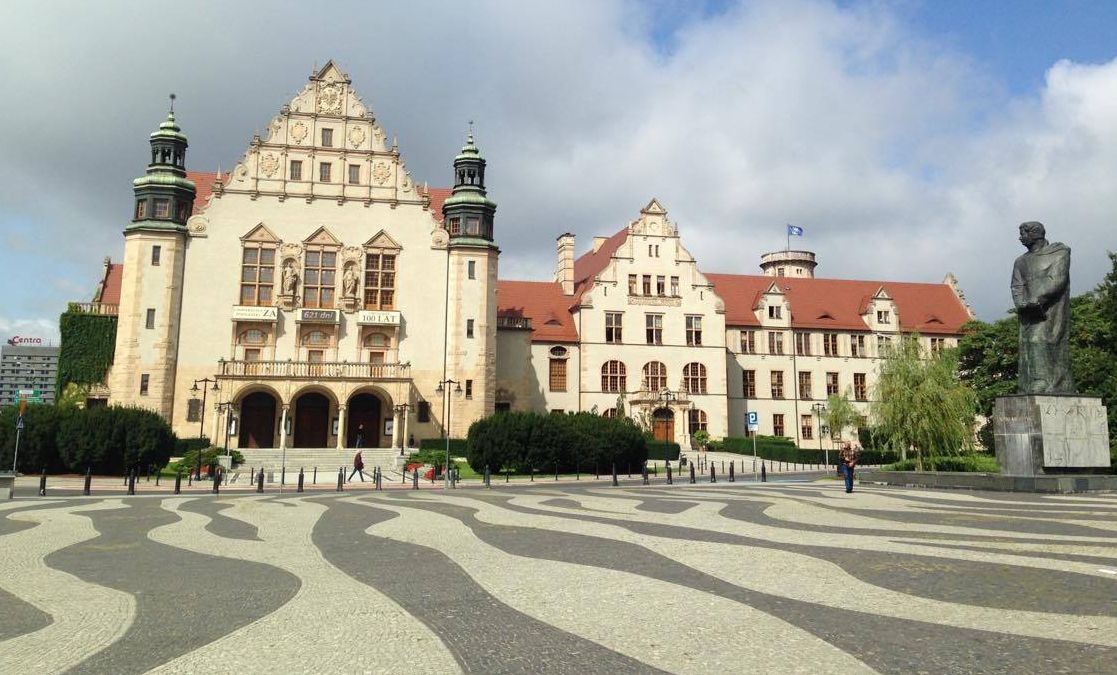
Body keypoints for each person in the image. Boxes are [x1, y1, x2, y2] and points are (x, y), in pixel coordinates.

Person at [1011, 221, 1074, 394]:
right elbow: (1017, 285)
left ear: (1035, 234)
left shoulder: (1059, 253)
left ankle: (1046, 382)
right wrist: (1021, 303)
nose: (1020, 238)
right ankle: (1031, 382)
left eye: (1023, 233)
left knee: (1040, 339)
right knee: (1027, 344)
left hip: (1051, 309)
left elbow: (1057, 279)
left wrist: (1038, 299)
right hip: (1028, 311)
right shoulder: (1020, 261)